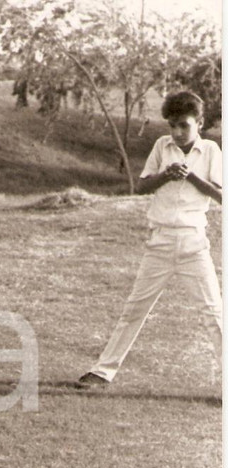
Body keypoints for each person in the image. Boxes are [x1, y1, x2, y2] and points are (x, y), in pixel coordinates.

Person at [77, 91, 222, 389]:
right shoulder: (161, 146)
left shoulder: (211, 150)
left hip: (194, 243)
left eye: (184, 125)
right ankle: (102, 372)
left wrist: (190, 176)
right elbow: (142, 187)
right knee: (134, 309)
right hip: (160, 242)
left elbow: (221, 195)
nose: (177, 132)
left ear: (200, 123)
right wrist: (167, 175)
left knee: (214, 314)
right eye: (172, 125)